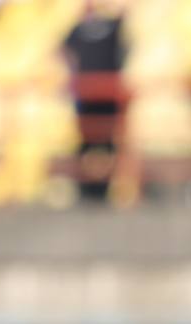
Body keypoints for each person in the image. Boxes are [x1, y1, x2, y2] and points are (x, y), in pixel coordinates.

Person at [62, 0, 126, 202]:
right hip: (86, 94)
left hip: (107, 94)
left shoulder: (114, 26)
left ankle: (104, 187)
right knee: (86, 142)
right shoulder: (78, 29)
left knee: (107, 142)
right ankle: (87, 187)